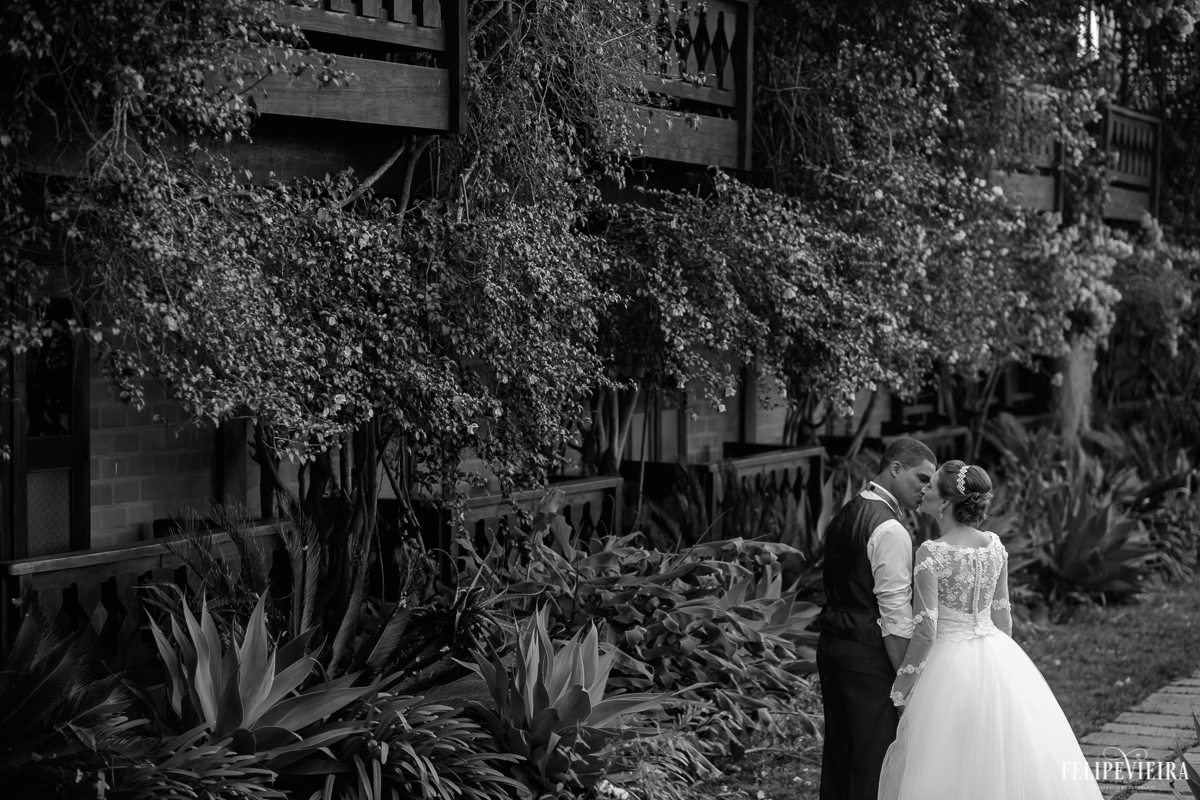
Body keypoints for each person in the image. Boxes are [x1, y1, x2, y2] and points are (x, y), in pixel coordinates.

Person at [878, 460, 1103, 800]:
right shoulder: (994, 546)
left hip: (948, 667)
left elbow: (925, 631)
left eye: (931, 486)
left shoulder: (931, 553)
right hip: (996, 653)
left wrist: (902, 689)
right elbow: (1003, 616)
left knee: (947, 759)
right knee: (999, 754)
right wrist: (1004, 668)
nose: (924, 490)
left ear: (946, 502)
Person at [817, 437, 937, 800]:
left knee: (840, 759)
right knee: (875, 765)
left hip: (832, 648)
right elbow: (895, 616)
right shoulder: (891, 530)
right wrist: (905, 684)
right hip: (868, 657)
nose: (926, 489)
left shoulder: (845, 512)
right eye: (921, 478)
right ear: (895, 468)